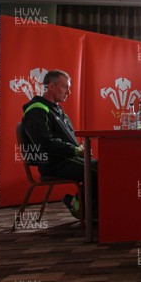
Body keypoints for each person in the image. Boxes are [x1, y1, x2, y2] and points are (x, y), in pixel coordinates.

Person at [22, 69, 97, 219]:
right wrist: (76, 151)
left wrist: (80, 150)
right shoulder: (36, 110)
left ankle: (91, 209)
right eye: (65, 87)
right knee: (96, 173)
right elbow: (44, 143)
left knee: (104, 167)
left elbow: (67, 141)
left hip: (66, 159)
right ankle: (80, 207)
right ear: (50, 86)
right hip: (53, 164)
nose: (68, 92)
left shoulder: (57, 110)